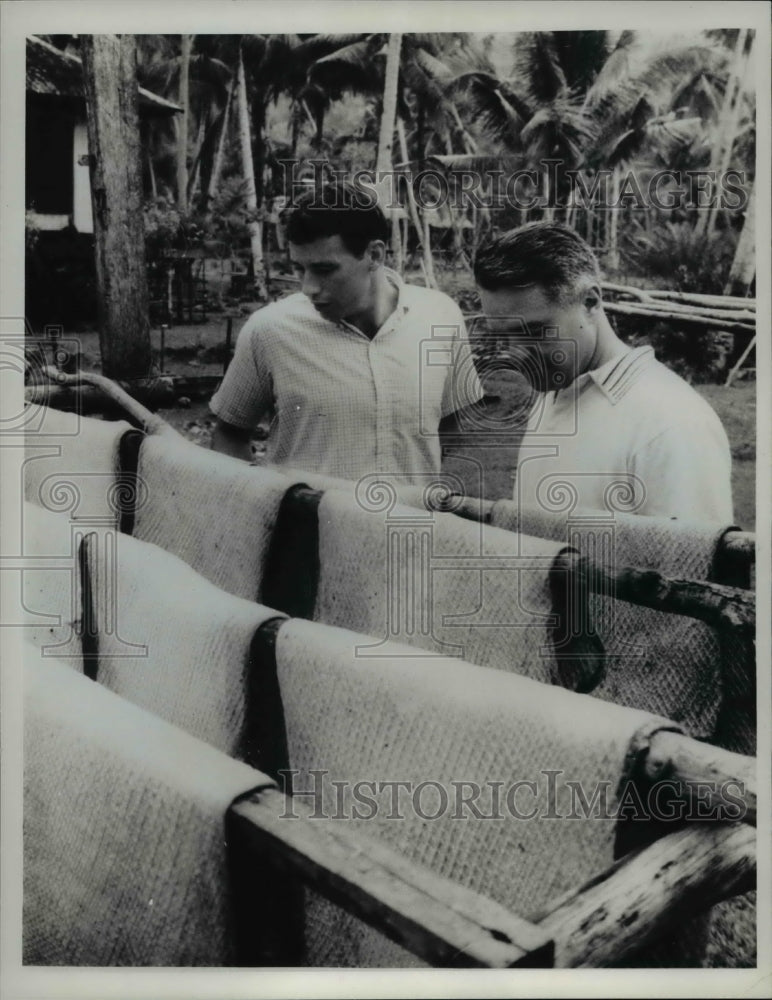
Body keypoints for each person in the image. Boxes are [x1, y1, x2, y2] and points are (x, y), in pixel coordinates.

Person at [210, 181, 483, 483]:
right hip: (311, 529)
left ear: (375, 255)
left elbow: (452, 429)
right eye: (299, 269)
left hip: (410, 526)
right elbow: (229, 435)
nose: (308, 288)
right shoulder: (269, 330)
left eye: (324, 270)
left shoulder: (440, 316)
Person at [473, 222, 733, 520]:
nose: (515, 355)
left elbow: (695, 563)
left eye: (535, 332)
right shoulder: (558, 390)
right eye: (501, 336)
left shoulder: (673, 425)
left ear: (590, 302)